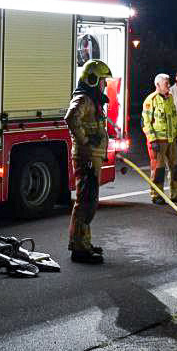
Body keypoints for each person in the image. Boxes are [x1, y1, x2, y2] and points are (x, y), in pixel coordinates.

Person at [64, 59, 111, 264]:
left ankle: (84, 242)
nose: (104, 85)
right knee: (85, 201)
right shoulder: (83, 98)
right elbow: (71, 118)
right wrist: (85, 140)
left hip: (92, 155)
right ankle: (79, 248)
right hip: (87, 156)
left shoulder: (92, 99)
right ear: (92, 80)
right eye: (102, 81)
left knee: (89, 200)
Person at [142, 73, 177, 205]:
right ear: (157, 85)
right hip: (158, 141)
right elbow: (145, 123)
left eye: (169, 83)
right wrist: (152, 140)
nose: (169, 85)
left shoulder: (169, 98)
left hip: (171, 140)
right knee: (158, 169)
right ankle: (156, 195)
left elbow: (174, 118)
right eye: (166, 83)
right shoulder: (150, 100)